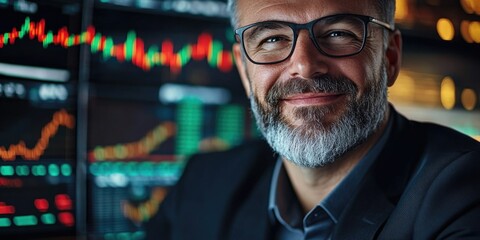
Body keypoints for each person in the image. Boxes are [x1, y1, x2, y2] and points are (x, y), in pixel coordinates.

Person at [146, 0, 480, 239]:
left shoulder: (464, 193)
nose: (304, 65)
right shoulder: (202, 185)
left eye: (337, 33)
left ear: (390, 57)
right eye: (272, 39)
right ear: (245, 71)